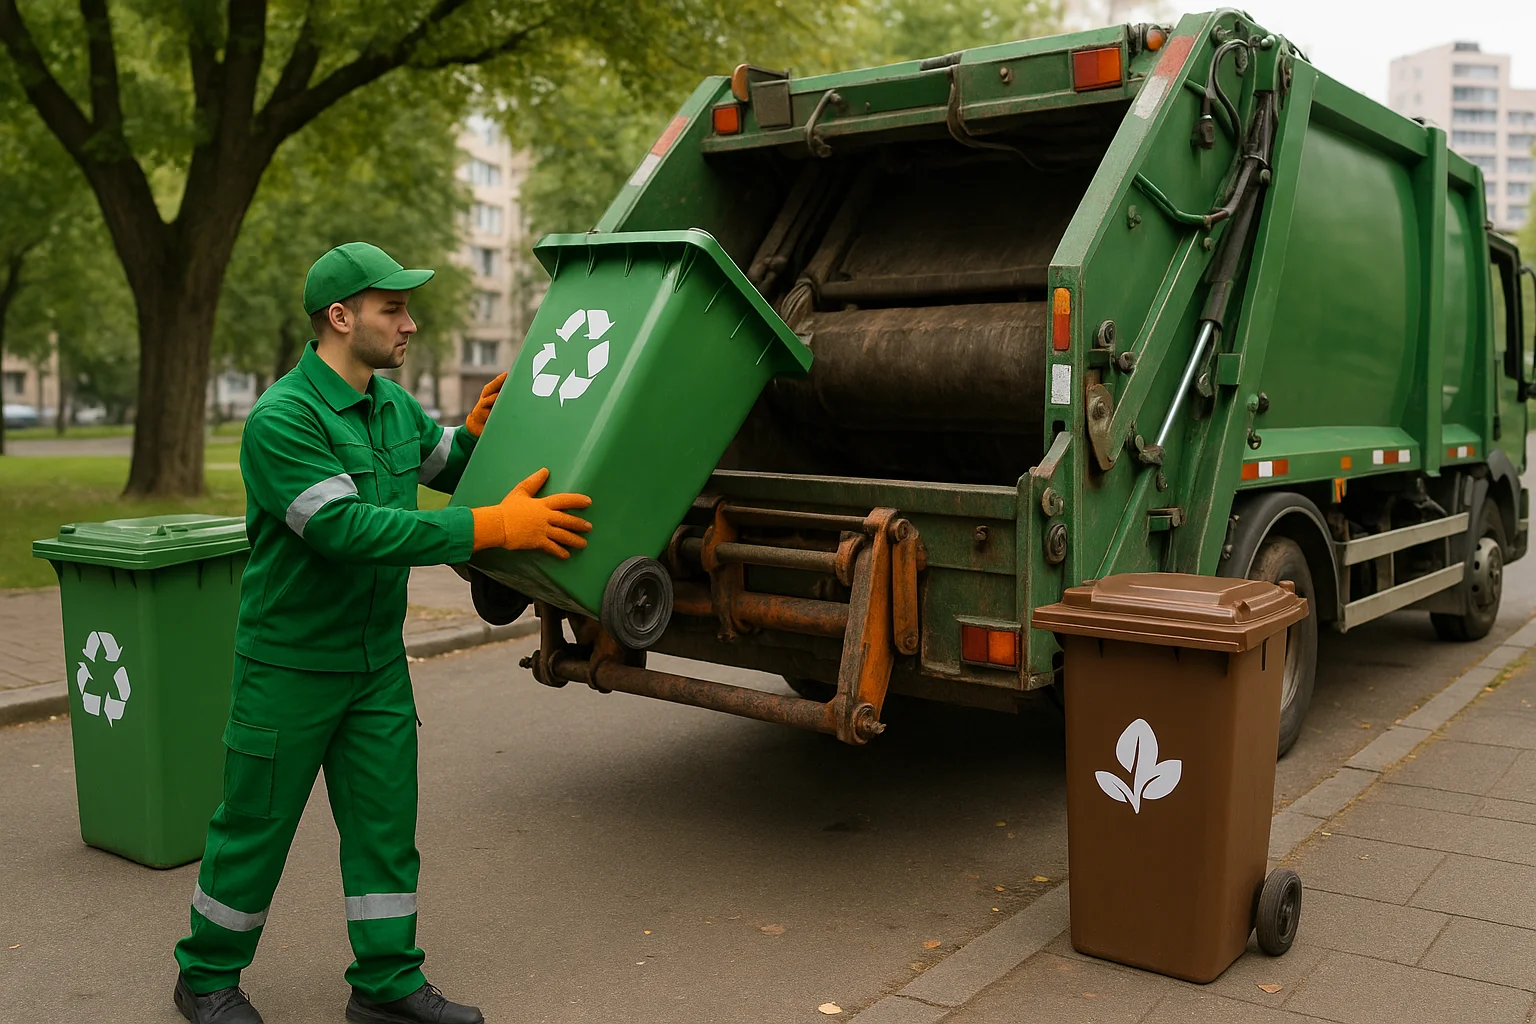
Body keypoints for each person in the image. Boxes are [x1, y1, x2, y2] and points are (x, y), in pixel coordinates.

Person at [172, 242, 593, 1024]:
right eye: (392, 309)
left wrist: (479, 434)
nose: (410, 323)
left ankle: (386, 982)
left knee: (384, 829)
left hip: (375, 667)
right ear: (340, 317)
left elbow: (447, 463)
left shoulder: (393, 406)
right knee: (254, 829)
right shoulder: (282, 419)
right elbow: (347, 529)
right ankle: (204, 977)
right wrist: (494, 527)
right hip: (290, 666)